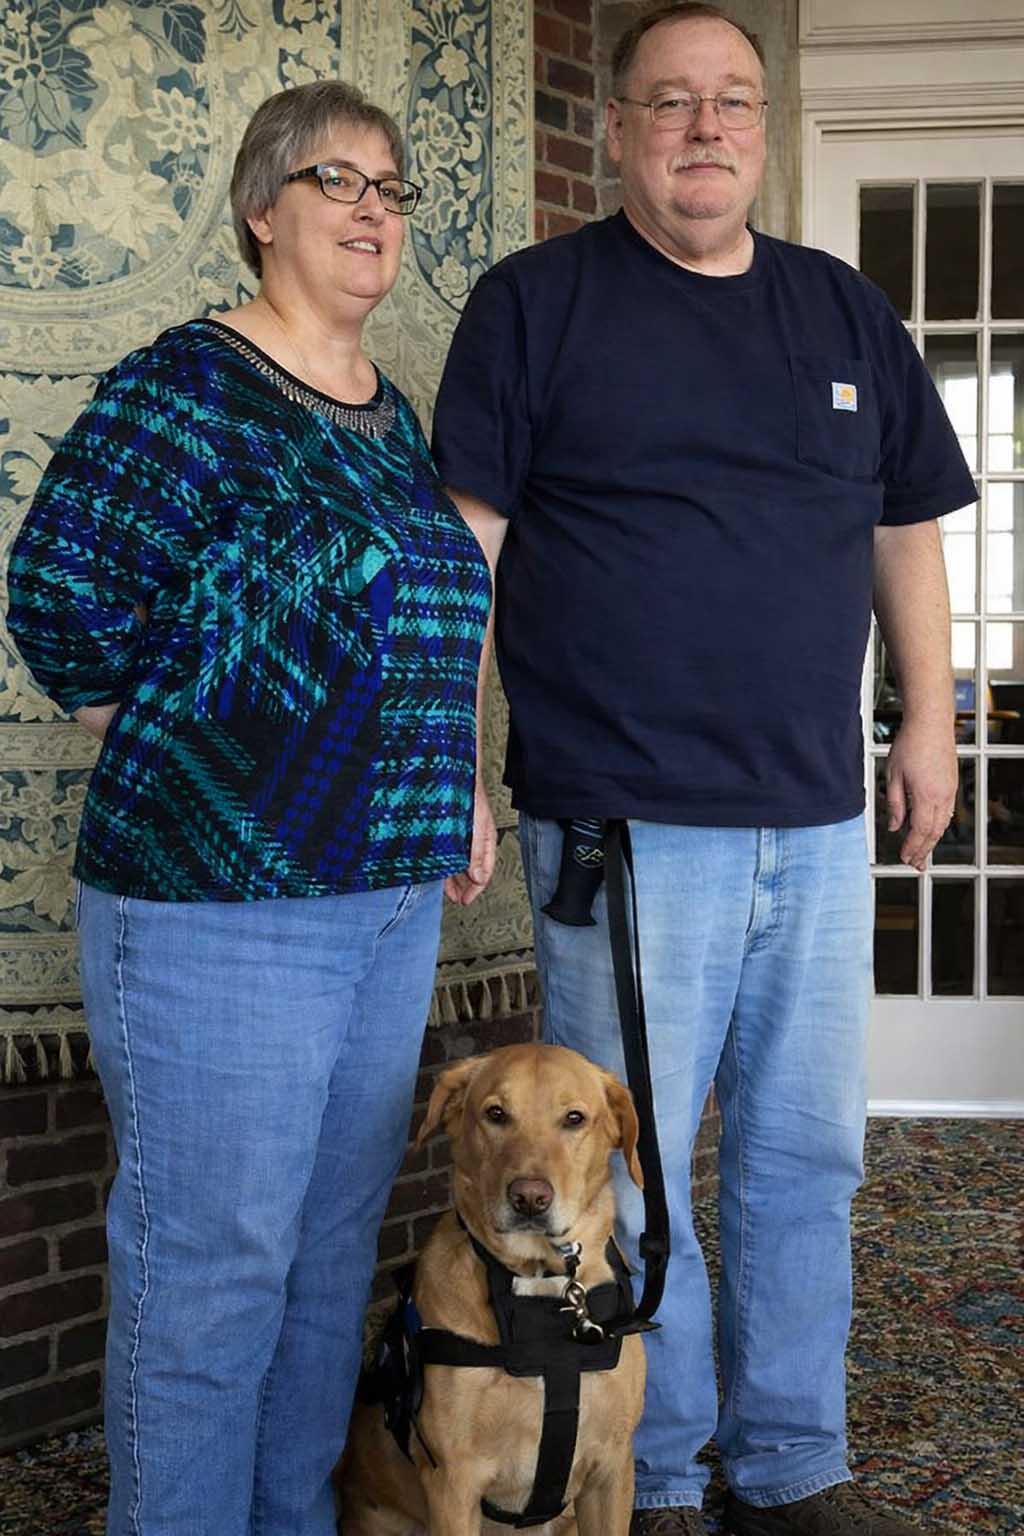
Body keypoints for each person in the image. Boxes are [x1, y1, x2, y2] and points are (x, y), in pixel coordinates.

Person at [431, 6, 976, 1535]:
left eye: (733, 99)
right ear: (617, 131)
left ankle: (792, 1460)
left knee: (808, 1157)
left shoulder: (843, 311)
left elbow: (904, 528)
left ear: (763, 126)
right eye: (669, 102)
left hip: (811, 820)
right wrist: (445, 758)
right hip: (624, 826)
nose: (705, 126)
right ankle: (651, 1469)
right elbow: (462, 552)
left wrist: (924, 722)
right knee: (632, 1176)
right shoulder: (536, 304)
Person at [5, 80, 494, 1536]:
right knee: (208, 1274)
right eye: (337, 181)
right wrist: (199, 751)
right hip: (219, 918)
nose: (370, 211)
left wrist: (449, 782)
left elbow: (414, 637)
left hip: (389, 903)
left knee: (327, 1258)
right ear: (261, 210)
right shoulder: (188, 386)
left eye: (393, 190)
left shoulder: (383, 413)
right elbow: (58, 598)